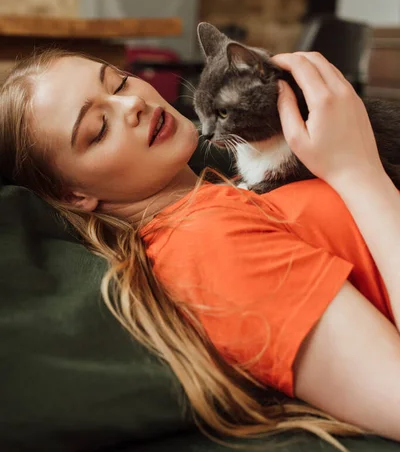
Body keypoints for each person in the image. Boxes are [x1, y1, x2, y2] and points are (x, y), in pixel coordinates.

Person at [1, 48, 400, 449]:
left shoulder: (231, 187)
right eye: (99, 127)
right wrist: (358, 171)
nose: (133, 103)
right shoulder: (206, 244)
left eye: (119, 81)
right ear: (73, 195)